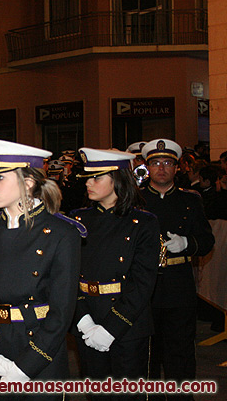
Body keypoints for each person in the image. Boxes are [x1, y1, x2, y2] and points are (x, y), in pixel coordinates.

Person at [0, 139, 82, 400]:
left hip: (40, 356)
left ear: (28, 183)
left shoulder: (62, 234)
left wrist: (24, 367)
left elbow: (61, 313)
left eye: (0, 178)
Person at [71, 148, 160, 401]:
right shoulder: (77, 220)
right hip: (87, 319)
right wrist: (83, 320)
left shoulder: (143, 222)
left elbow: (143, 282)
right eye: (87, 177)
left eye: (96, 177)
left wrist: (111, 328)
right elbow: (68, 276)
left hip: (127, 323)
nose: (88, 182)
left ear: (118, 180)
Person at [140, 139, 215, 398]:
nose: (161, 168)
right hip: (144, 287)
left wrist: (187, 243)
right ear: (147, 167)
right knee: (146, 353)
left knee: (180, 354)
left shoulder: (190, 201)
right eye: (156, 163)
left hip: (178, 286)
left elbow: (207, 241)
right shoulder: (136, 201)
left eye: (168, 163)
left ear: (177, 168)